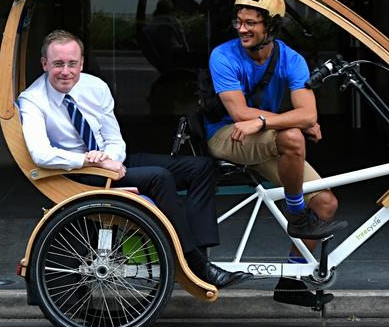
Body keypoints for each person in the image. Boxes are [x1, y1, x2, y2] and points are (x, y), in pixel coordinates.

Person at [19, 29, 251, 289]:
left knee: (201, 167)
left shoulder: (95, 87)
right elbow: (41, 153)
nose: (66, 71)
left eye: (72, 64)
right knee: (159, 177)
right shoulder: (32, 100)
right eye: (58, 64)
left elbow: (115, 139)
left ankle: (198, 257)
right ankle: (197, 266)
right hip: (78, 172)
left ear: (81, 63)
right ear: (44, 64)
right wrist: (90, 161)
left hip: (111, 162)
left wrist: (113, 161)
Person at [204, 0, 347, 307]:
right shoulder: (223, 56)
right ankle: (296, 213)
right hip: (228, 137)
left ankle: (292, 282)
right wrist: (289, 122)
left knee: (325, 204)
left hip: (267, 140)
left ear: (270, 26)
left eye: (251, 23)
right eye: (239, 21)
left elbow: (309, 112)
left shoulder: (291, 59)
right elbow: (239, 114)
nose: (242, 28)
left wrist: (269, 122)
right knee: (294, 136)